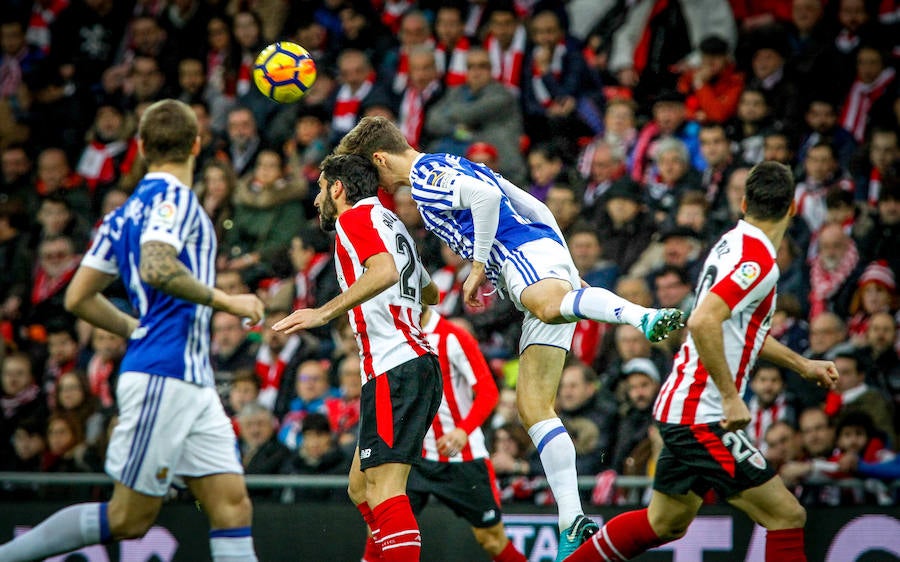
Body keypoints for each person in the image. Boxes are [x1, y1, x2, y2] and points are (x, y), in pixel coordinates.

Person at [335, 115, 685, 559]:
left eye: (373, 170)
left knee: (545, 305)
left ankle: (643, 316)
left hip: (519, 255)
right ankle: (572, 519)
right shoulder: (453, 162)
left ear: (381, 157)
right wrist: (567, 267)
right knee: (534, 407)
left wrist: (479, 265)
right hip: (541, 252)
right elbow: (537, 208)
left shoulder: (424, 178)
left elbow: (483, 199)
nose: (376, 182)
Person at [0, 99, 265, 562]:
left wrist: (134, 327)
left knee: (231, 506)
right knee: (129, 518)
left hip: (189, 379)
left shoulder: (123, 212)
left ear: (141, 147)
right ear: (197, 144)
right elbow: (157, 265)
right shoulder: (175, 200)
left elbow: (78, 296)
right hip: (164, 375)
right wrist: (228, 299)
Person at [565, 161, 839, 562]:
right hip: (702, 414)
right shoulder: (758, 261)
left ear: (744, 202)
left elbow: (736, 330)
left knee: (665, 522)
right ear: (793, 208)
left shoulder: (731, 242)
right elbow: (704, 319)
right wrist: (730, 397)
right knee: (786, 515)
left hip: (681, 407)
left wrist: (802, 363)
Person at [272, 153, 443, 562]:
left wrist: (324, 311)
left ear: (337, 188)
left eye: (319, 189)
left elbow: (383, 271)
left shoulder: (354, 219)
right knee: (360, 488)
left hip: (394, 367)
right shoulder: (391, 222)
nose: (316, 201)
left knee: (386, 490)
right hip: (408, 362)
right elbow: (431, 293)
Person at [398, 304, 526, 562]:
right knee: (384, 528)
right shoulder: (397, 337)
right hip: (416, 458)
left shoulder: (452, 337)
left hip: (462, 458)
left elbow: (489, 391)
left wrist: (463, 430)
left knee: (491, 539)